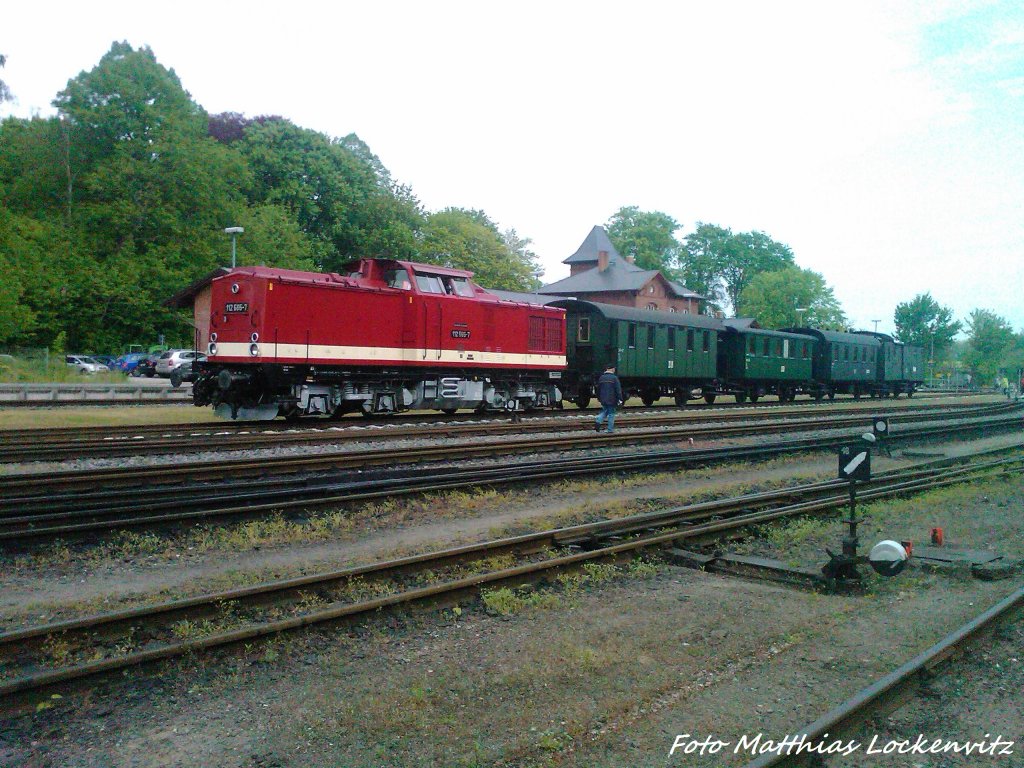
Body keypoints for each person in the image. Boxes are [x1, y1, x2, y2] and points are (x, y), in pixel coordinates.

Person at [594, 364, 623, 433]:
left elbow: (598, 389)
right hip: (612, 399)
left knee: (605, 411)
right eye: (614, 369)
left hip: (603, 399)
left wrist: (599, 398)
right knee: (611, 414)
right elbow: (618, 390)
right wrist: (620, 399)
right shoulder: (614, 378)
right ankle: (610, 430)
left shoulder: (601, 378)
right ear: (612, 369)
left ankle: (598, 420)